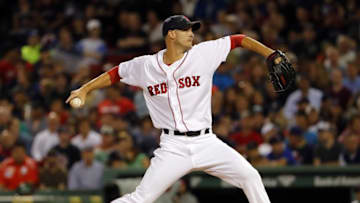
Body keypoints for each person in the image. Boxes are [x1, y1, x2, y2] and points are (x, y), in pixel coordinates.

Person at [66, 15, 279, 203]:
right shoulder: (146, 65)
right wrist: (85, 89)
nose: (191, 34)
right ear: (171, 34)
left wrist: (270, 54)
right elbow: (115, 73)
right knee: (141, 198)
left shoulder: (203, 53)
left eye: (192, 30)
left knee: (250, 177)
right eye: (186, 30)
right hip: (173, 147)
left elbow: (239, 39)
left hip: (206, 142)